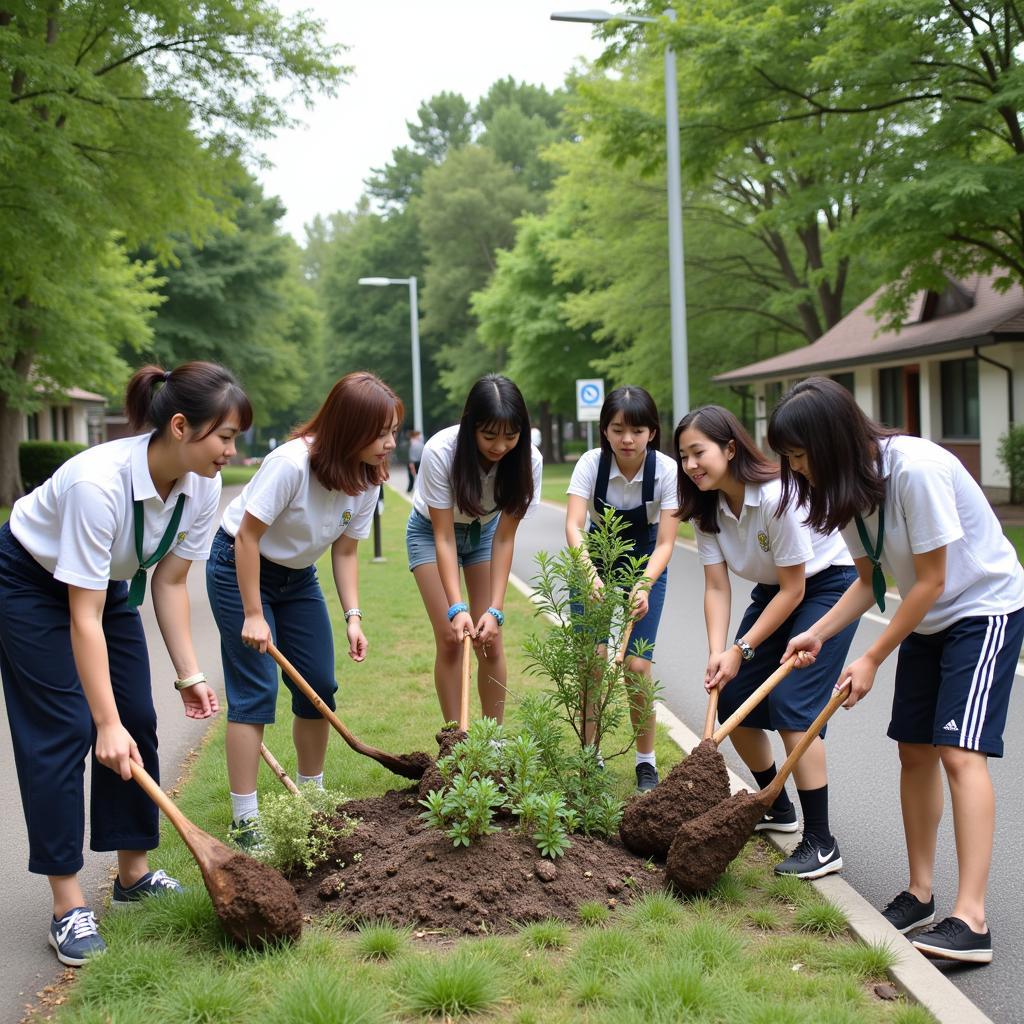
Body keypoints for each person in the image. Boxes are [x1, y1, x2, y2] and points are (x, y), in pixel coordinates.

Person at [0, 362, 250, 967]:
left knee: (136, 716)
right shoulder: (99, 483)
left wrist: (187, 673)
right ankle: (67, 905)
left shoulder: (201, 484)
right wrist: (101, 723)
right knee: (66, 730)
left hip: (106, 583)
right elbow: (80, 618)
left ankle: (133, 873)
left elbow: (168, 582)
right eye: (225, 437)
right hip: (31, 581)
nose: (231, 451)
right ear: (183, 427)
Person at [770, 377, 1024, 963]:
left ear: (831, 441)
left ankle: (973, 919)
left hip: (982, 609)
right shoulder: (843, 492)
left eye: (799, 455)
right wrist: (818, 632)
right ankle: (920, 894)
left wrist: (871, 658)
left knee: (960, 751)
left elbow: (933, 579)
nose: (796, 469)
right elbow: (870, 582)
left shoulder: (915, 470)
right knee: (914, 751)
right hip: (928, 618)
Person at [206, 372, 401, 846]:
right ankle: (246, 819)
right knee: (255, 690)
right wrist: (253, 613)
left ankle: (312, 797)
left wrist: (353, 615)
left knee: (320, 682)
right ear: (348, 428)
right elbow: (247, 537)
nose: (390, 444)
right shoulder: (291, 464)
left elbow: (347, 551)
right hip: (239, 566)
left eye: (393, 431)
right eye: (381, 433)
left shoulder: (368, 477)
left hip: (297, 578)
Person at [675, 405, 858, 875]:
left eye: (699, 453)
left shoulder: (777, 495)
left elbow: (797, 589)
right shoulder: (707, 507)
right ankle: (774, 805)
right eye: (684, 457)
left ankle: (821, 842)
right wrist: (721, 652)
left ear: (730, 448)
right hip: (775, 592)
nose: (691, 465)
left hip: (825, 586)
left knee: (795, 704)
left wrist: (742, 649)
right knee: (734, 694)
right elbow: (716, 586)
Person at [407, 374, 542, 725]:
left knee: (489, 641)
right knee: (452, 639)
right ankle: (455, 742)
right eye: (489, 436)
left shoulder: (530, 460)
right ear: (470, 427)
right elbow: (443, 537)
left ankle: (492, 742)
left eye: (510, 436)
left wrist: (496, 609)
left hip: (486, 533)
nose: (500, 447)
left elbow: (505, 537)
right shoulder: (440, 452)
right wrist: (457, 606)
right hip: (432, 534)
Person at [566, 385, 678, 791]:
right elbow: (574, 526)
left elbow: (666, 541)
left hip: (645, 564)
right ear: (605, 430)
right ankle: (590, 754)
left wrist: (644, 586)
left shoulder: (666, 470)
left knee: (637, 665)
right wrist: (590, 575)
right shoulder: (590, 465)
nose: (626, 439)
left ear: (652, 431)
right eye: (617, 430)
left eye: (637, 430)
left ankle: (645, 762)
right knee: (593, 662)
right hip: (595, 560)